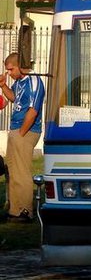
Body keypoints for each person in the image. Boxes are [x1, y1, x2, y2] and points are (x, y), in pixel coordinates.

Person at [0, 52, 44, 223]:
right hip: (16, 129)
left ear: (19, 66)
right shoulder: (19, 82)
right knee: (12, 170)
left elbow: (33, 110)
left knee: (22, 171)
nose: (9, 73)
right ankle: (14, 209)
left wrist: (21, 133)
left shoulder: (34, 81)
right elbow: (14, 99)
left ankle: (25, 210)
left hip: (26, 131)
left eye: (10, 69)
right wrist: (3, 86)